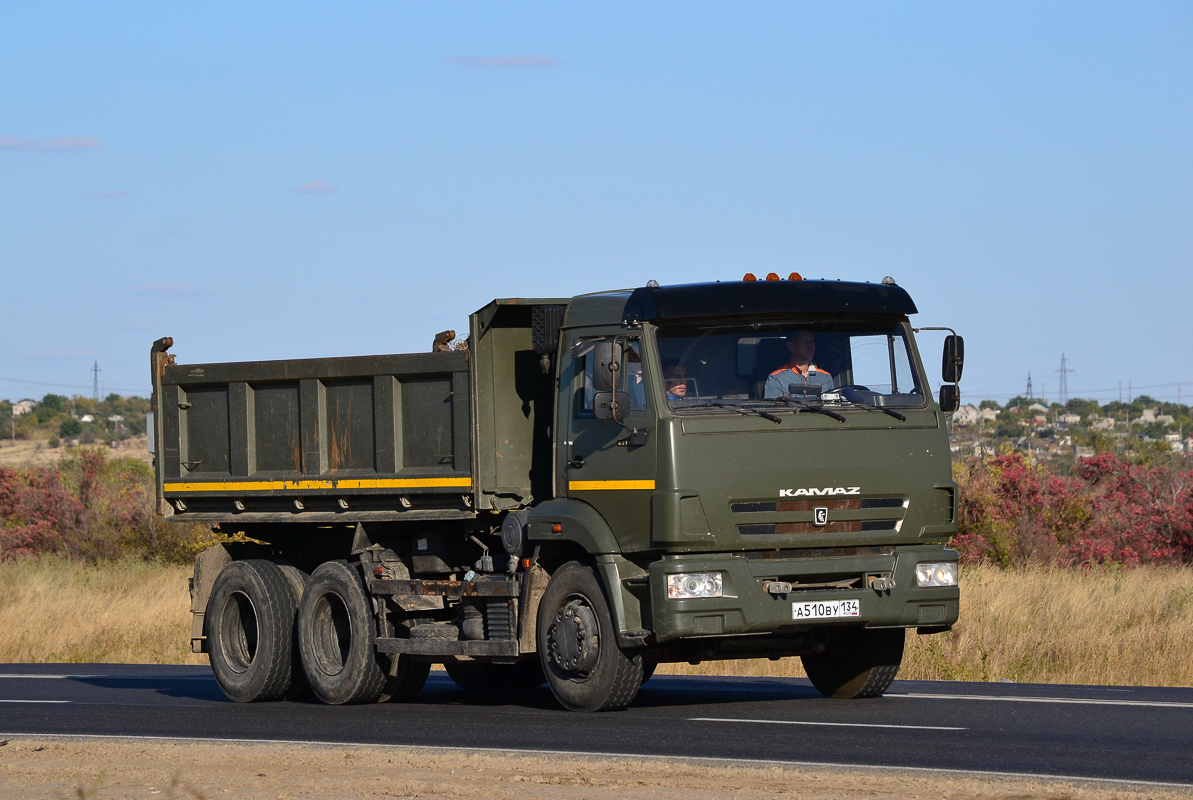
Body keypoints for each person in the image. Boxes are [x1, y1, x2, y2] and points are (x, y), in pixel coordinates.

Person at [764, 331, 833, 399]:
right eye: (805, 342)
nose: (810, 346)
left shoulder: (826, 377)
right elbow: (772, 408)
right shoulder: (776, 378)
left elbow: (833, 406)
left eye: (811, 342)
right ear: (791, 346)